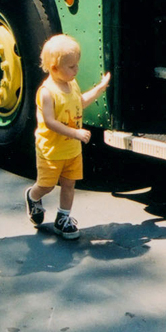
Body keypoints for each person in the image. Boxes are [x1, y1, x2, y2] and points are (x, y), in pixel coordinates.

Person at [25, 35, 110, 240]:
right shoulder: (47, 92)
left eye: (77, 65)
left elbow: (78, 103)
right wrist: (75, 133)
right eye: (71, 67)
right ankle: (33, 196)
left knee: (69, 184)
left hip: (72, 150)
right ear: (54, 68)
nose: (76, 70)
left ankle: (63, 219)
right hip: (51, 151)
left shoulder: (71, 84)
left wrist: (98, 89)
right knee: (46, 185)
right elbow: (49, 121)